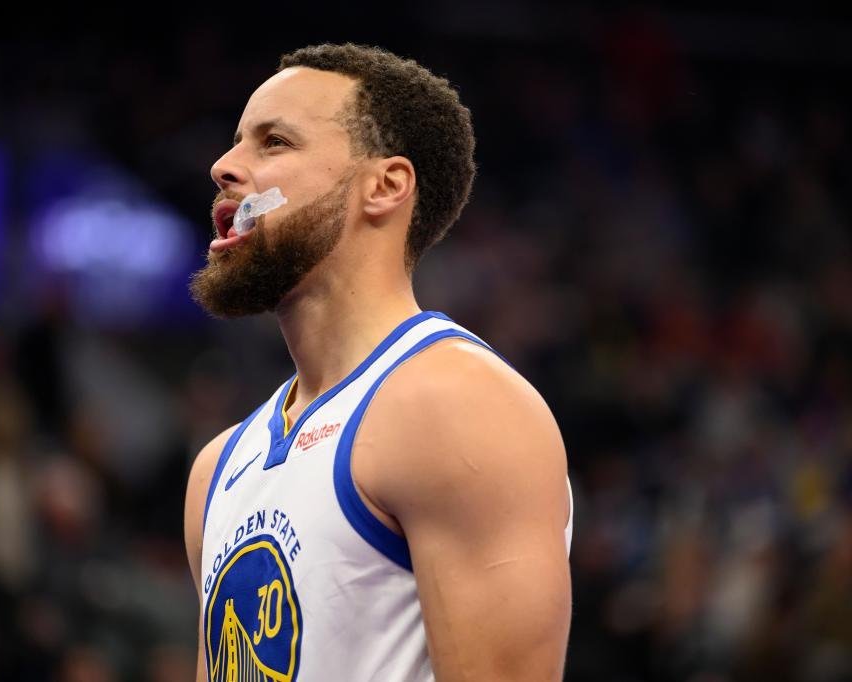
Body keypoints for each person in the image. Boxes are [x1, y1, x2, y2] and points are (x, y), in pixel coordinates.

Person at [184, 43, 573, 681]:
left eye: (274, 142)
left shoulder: (457, 407)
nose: (223, 167)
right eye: (235, 143)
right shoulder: (217, 468)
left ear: (385, 186)